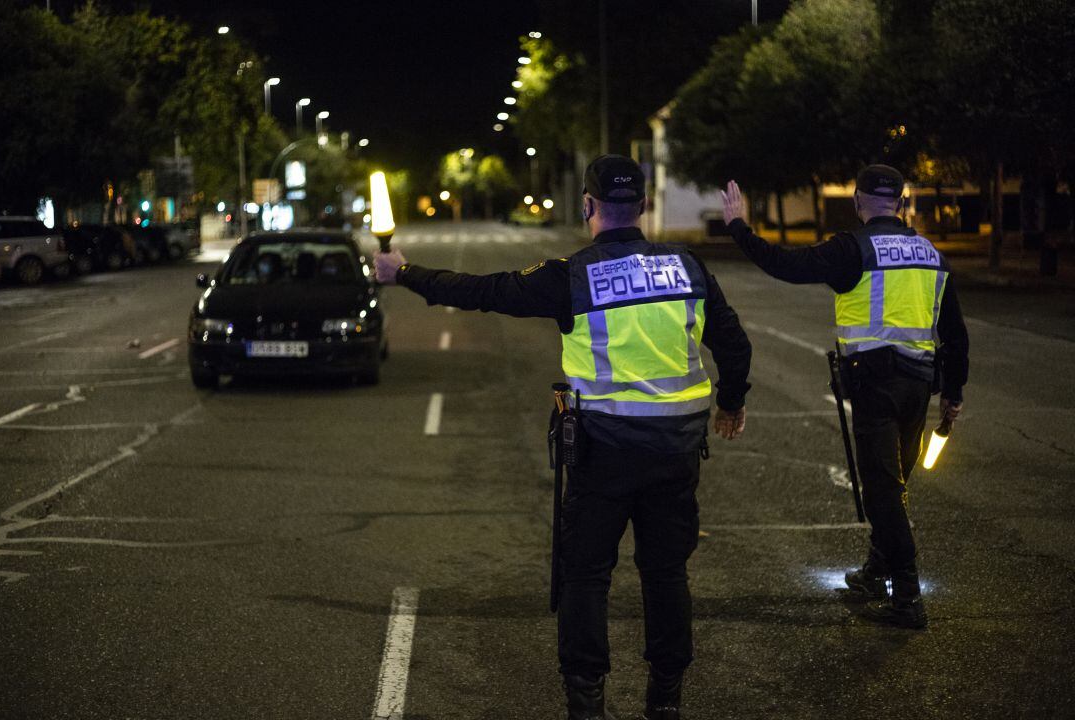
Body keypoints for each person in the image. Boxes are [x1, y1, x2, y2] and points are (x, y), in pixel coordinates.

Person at [375, 155, 752, 720]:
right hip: (675, 450)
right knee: (667, 572)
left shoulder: (572, 276)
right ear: (645, 207)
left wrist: (403, 273)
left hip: (604, 455)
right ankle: (665, 700)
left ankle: (586, 701)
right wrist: (732, 402)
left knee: (586, 574)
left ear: (587, 206)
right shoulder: (688, 266)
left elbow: (485, 291)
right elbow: (734, 343)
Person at [720, 165, 969, 629]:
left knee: (882, 490)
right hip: (918, 386)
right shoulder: (931, 253)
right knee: (893, 482)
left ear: (857, 202)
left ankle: (908, 596)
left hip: (873, 387)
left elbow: (784, 265)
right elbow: (954, 331)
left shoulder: (850, 249)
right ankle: (878, 570)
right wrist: (953, 392)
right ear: (902, 200)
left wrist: (738, 227)